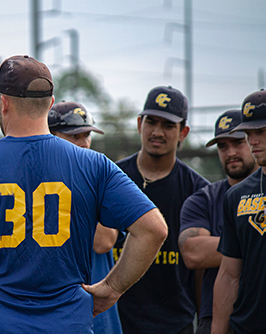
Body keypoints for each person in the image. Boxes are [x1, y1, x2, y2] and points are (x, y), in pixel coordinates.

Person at [0, 55, 168, 333]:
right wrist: (112, 287)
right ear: (50, 104)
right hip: (67, 322)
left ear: (3, 103)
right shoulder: (94, 164)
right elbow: (153, 229)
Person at [113, 85, 210, 333]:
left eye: (168, 125)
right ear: (139, 124)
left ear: (183, 132)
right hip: (117, 321)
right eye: (151, 122)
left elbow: (202, 272)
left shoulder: (199, 191)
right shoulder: (112, 178)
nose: (157, 132)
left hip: (175, 324)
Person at [178, 110, 257, 334]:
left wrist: (221, 246)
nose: (230, 152)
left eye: (237, 142)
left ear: (253, 139)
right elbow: (193, 252)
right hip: (215, 317)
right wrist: (256, 244)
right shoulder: (204, 198)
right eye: (222, 146)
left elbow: (208, 250)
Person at [48, 100, 123, 333]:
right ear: (49, 136)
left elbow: (103, 242)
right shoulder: (36, 177)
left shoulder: (97, 175)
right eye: (74, 136)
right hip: (54, 306)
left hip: (95, 304)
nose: (84, 143)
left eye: (86, 135)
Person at [212, 89, 266, 334]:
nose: (253, 140)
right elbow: (229, 274)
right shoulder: (236, 196)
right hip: (246, 326)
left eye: (261, 132)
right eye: (249, 133)